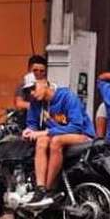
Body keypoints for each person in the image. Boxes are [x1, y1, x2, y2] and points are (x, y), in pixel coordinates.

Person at [23, 79, 94, 207]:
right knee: (42, 141)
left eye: (34, 88)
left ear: (45, 84)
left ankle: (49, 189)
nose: (32, 93)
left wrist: (46, 132)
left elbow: (76, 126)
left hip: (82, 135)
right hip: (55, 135)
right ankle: (40, 189)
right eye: (28, 91)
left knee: (56, 141)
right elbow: (32, 124)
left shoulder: (67, 96)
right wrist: (29, 130)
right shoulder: (36, 103)